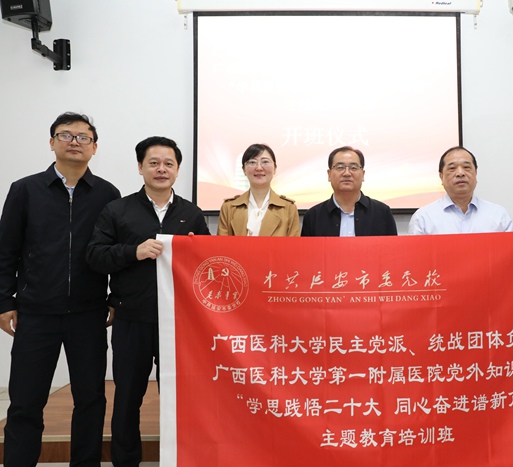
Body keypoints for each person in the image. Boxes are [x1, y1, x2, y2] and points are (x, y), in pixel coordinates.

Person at [0, 112, 121, 466]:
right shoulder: (25, 190)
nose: (74, 142)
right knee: (25, 401)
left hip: (88, 313)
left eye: (83, 137)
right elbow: (6, 250)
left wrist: (114, 298)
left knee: (91, 400)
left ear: (94, 147)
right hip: (36, 313)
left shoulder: (107, 194)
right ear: (52, 142)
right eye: (66, 135)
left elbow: (115, 252)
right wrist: (4, 300)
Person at [86, 136, 210, 466]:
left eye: (169, 163)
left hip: (180, 324)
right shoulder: (118, 210)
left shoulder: (192, 214)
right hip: (132, 318)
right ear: (140, 167)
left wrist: (198, 252)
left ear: (178, 169)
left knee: (181, 398)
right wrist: (134, 251)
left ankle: (182, 459)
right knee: (128, 397)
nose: (161, 169)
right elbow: (95, 256)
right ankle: (126, 461)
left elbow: (209, 270)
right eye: (153, 163)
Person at [408, 146, 513, 234]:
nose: (460, 173)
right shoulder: (423, 218)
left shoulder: (499, 215)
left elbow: (511, 252)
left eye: (466, 167)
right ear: (441, 176)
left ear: (475, 173)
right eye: (452, 168)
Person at [301, 146, 397, 236]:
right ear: (329, 174)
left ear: (363, 174)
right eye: (340, 167)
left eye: (353, 168)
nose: (347, 173)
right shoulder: (313, 216)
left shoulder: (382, 213)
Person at [217, 143, 299, 236]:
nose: (259, 168)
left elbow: (293, 245)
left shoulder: (288, 208)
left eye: (265, 162)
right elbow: (222, 244)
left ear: (275, 168)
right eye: (252, 162)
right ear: (244, 170)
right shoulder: (229, 208)